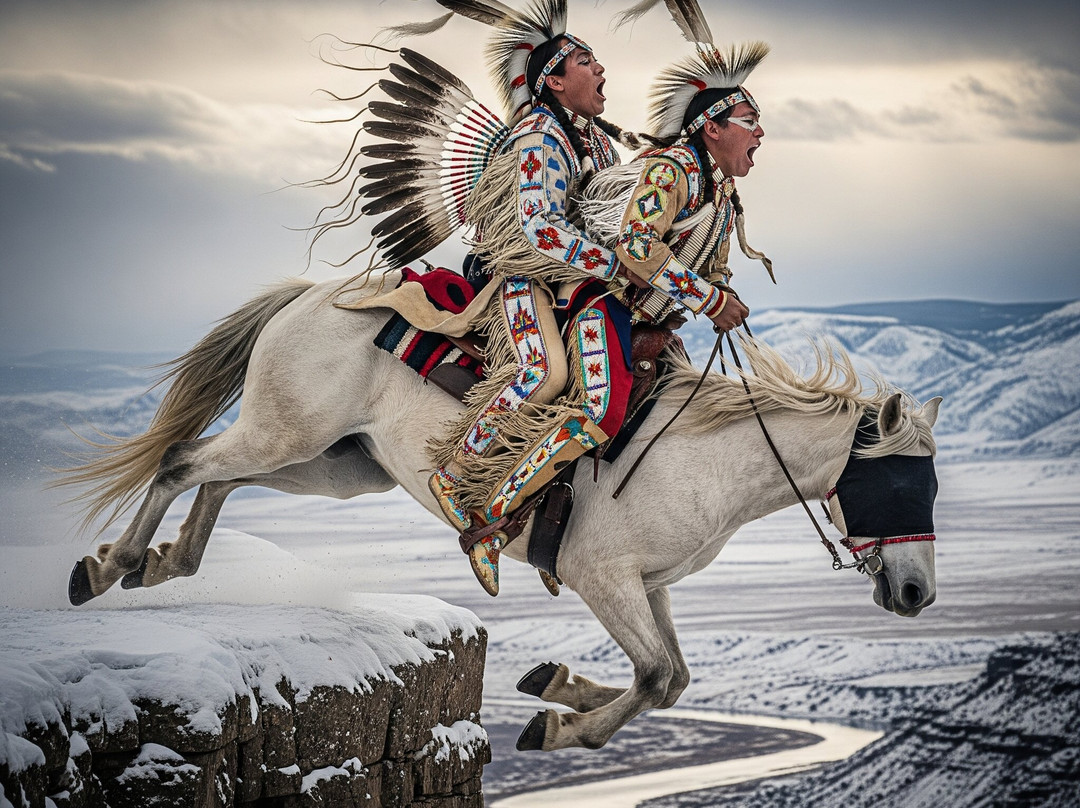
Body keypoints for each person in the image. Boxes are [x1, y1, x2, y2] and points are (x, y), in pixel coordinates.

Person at [428, 27, 642, 597]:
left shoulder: (598, 142)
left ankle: (549, 517)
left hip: (577, 283)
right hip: (521, 275)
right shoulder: (537, 135)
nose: (601, 73)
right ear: (552, 78)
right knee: (544, 373)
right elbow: (539, 227)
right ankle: (453, 477)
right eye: (587, 62)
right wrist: (616, 266)